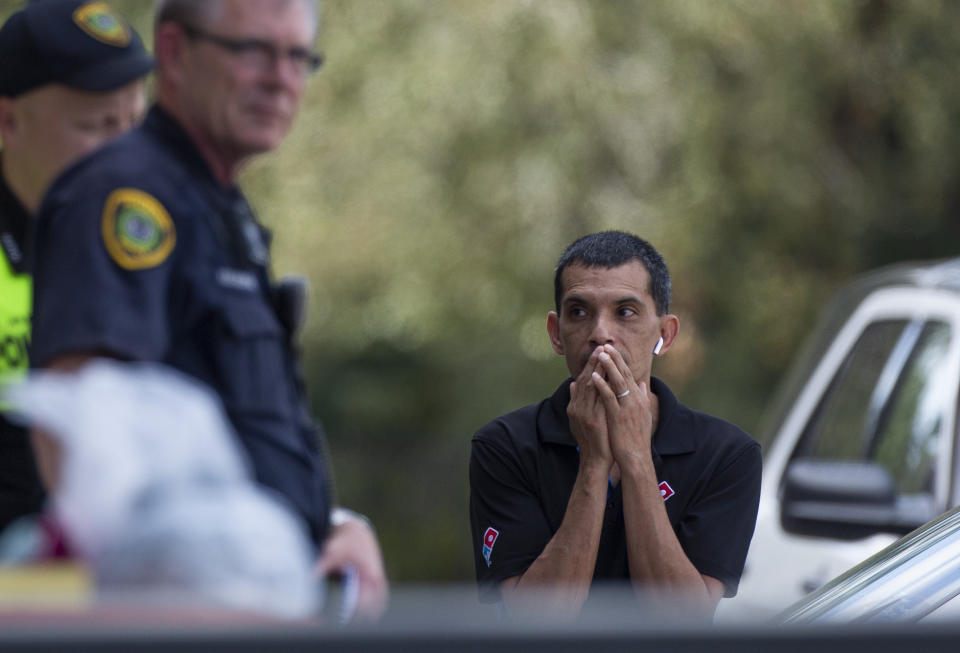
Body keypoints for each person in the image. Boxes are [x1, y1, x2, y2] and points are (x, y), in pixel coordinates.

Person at [27, 0, 387, 619]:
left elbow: (234, 430)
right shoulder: (128, 194)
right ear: (174, 51)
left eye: (298, 56)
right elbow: (80, 438)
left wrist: (329, 523)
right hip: (184, 617)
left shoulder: (217, 206)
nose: (281, 79)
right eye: (254, 51)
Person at [469, 230, 761, 619]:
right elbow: (535, 621)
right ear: (556, 334)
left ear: (665, 334)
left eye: (625, 312)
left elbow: (684, 621)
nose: (600, 333)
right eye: (579, 312)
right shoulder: (503, 446)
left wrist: (636, 455)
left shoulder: (726, 454)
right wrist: (593, 463)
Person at [0, 0, 152, 535]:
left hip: (135, 581)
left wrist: (330, 520)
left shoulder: (164, 233)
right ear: (8, 121)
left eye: (134, 123)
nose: (125, 154)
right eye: (97, 127)